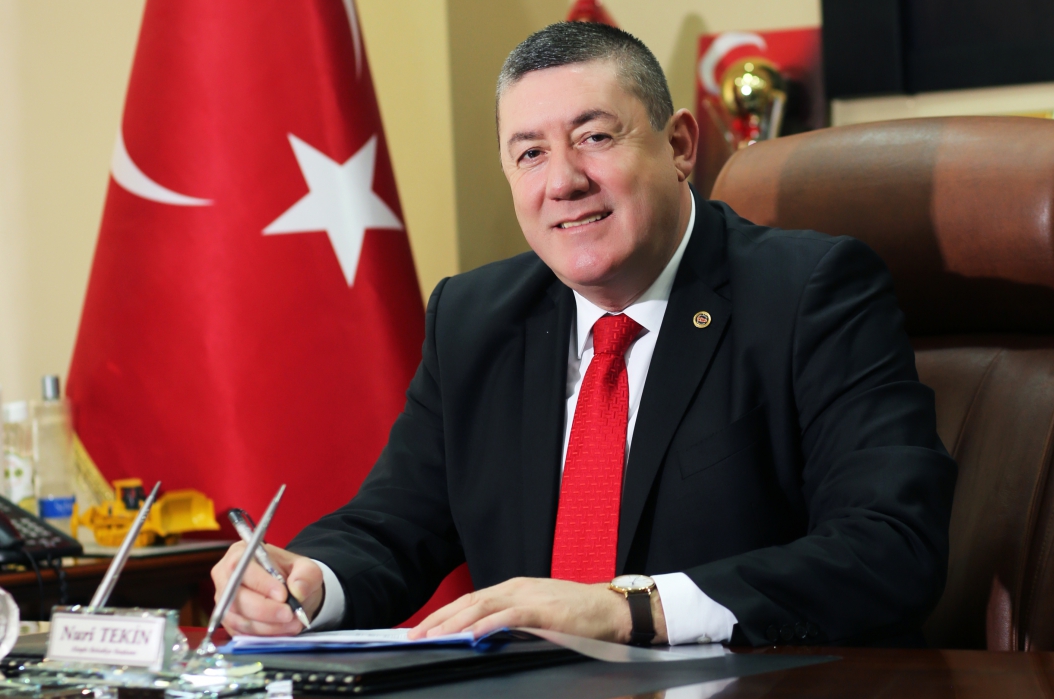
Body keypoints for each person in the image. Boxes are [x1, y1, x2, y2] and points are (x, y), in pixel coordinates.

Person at [211, 21, 956, 647]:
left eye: (595, 137)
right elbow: (392, 526)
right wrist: (311, 581)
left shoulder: (809, 293)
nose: (562, 181)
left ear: (680, 146)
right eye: (530, 153)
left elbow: (890, 546)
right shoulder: (474, 318)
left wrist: (629, 608)